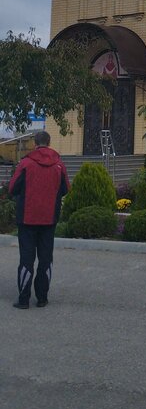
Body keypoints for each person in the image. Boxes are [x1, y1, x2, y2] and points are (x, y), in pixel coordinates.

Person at [8, 129, 70, 310]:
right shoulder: (59, 164)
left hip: (27, 219)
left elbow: (13, 188)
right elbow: (66, 188)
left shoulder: (26, 163)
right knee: (45, 259)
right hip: (49, 219)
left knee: (26, 259)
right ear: (49, 144)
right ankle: (42, 298)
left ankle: (24, 299)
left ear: (35, 144)